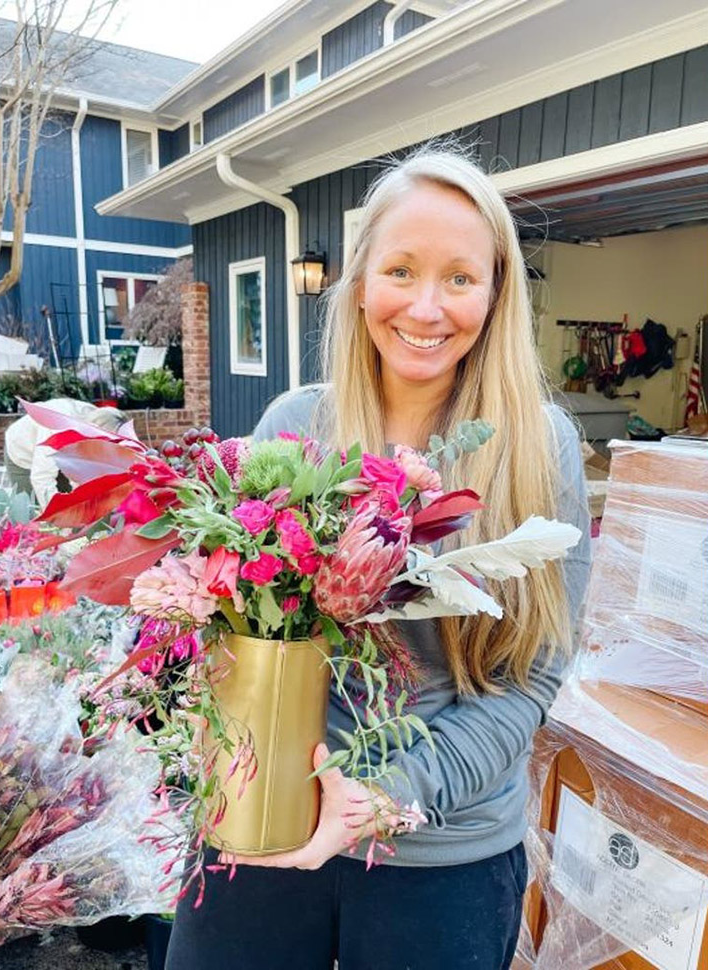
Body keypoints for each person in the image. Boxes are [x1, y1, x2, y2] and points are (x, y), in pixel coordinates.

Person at [166, 148, 591, 970]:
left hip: (441, 852)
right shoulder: (296, 425)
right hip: (262, 820)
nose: (426, 307)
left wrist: (386, 797)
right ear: (360, 282)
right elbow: (228, 627)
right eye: (401, 269)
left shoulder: (538, 450)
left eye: (460, 278)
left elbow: (532, 678)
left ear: (496, 293)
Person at [4, 397, 126, 509]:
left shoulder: (102, 419)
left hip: (61, 453)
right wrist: (58, 516)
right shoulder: (57, 427)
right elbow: (41, 477)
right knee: (31, 512)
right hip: (23, 453)